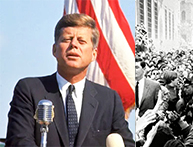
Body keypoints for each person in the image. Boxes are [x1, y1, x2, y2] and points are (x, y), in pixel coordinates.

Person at [6, 14, 134, 146]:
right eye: (67, 39)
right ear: (54, 50)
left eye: (81, 41)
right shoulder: (30, 90)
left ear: (93, 54)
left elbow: (126, 143)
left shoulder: (109, 99)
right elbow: (19, 141)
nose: (73, 45)